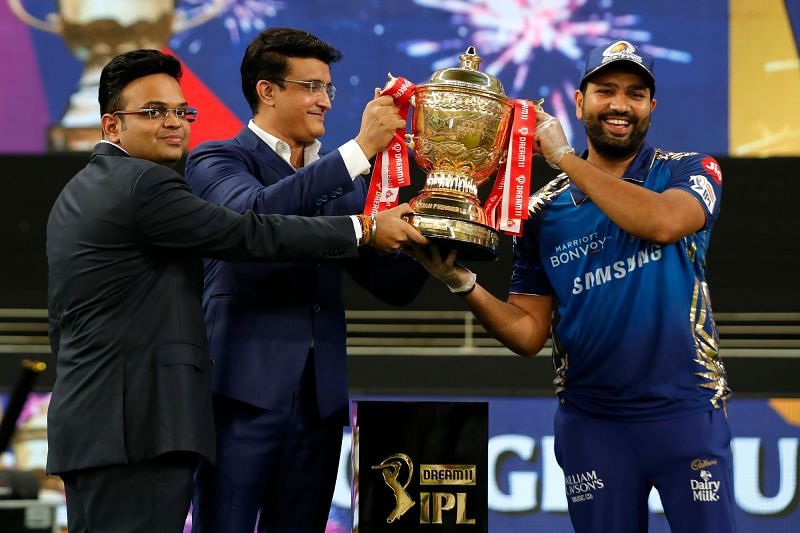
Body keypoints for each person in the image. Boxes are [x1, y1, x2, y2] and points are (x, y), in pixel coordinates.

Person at [45, 49, 426, 533]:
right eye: (154, 112)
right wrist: (363, 213)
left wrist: (435, 232)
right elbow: (251, 228)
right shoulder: (175, 174)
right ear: (111, 126)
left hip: (306, 403)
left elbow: (387, 280)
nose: (174, 123)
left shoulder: (98, 186)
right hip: (172, 415)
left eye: (182, 112)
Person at [409, 40, 735, 532]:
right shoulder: (542, 212)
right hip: (592, 425)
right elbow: (527, 334)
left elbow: (663, 224)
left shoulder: (689, 170)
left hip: (686, 413)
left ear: (652, 107)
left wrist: (564, 158)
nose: (621, 104)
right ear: (580, 103)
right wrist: (461, 281)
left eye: (636, 94)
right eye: (606, 91)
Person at [184, 28, 429, 532]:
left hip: (318, 405)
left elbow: (395, 286)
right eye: (311, 87)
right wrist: (359, 150)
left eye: (328, 89)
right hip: (240, 396)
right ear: (267, 91)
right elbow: (253, 220)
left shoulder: (340, 186)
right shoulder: (217, 160)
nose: (324, 101)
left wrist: (439, 233)